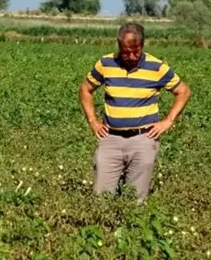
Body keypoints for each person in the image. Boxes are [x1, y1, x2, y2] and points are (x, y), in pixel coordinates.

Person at [78, 22, 191, 203]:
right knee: (101, 198)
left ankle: (131, 229)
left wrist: (168, 121)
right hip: (110, 139)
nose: (131, 56)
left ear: (143, 45)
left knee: (135, 200)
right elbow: (85, 89)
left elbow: (183, 91)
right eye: (126, 51)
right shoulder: (106, 63)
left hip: (143, 140)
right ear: (119, 46)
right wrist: (93, 121)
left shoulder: (157, 67)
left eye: (136, 51)